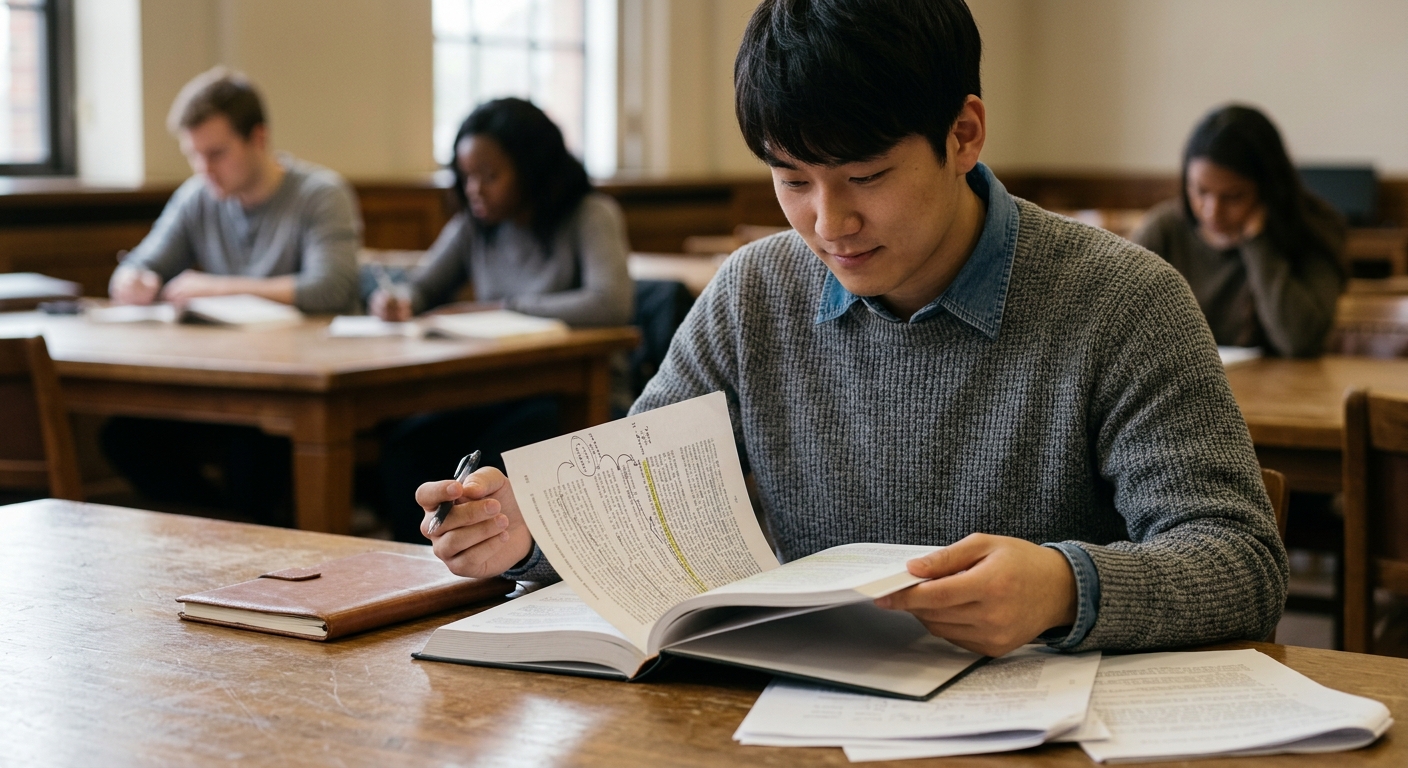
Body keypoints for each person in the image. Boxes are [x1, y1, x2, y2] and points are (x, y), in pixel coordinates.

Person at [414, 0, 1288, 657]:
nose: (828, 223)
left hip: (1026, 729)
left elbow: (1241, 563)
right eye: (791, 179)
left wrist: (1066, 586)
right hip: (769, 718)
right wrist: (533, 532)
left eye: (865, 175)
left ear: (964, 134)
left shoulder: (1122, 301)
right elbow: (635, 508)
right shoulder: (753, 292)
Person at [101, 67, 361, 523]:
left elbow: (331, 288)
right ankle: (221, 531)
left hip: (295, 387)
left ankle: (245, 540)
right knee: (123, 437)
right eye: (194, 155)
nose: (204, 169)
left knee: (254, 447)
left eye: (216, 153)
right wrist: (134, 279)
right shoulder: (198, 196)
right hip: (220, 382)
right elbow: (138, 264)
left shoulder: (320, 194)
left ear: (257, 138)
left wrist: (216, 286)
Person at [369, 97, 633, 543]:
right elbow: (423, 286)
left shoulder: (589, 214)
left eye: (490, 176)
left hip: (576, 391)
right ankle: (423, 572)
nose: (475, 189)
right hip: (495, 388)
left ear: (532, 168)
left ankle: (498, 575)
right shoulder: (476, 226)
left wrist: (505, 306)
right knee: (407, 448)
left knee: (493, 462)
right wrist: (400, 300)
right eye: (467, 176)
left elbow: (610, 303)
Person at [1132, 105, 1345, 358]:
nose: (1212, 211)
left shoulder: (1313, 228)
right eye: (1200, 191)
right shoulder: (1163, 230)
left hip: (1285, 391)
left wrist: (1258, 243)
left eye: (1233, 197)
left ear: (1269, 188)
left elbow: (1299, 341)